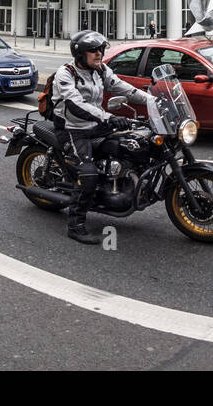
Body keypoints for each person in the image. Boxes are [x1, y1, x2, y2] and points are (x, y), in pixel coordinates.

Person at [52, 30, 151, 245]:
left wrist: (152, 101)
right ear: (80, 54)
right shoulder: (66, 73)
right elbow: (75, 104)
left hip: (96, 125)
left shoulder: (100, 69)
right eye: (94, 50)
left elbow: (120, 86)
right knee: (88, 173)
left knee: (136, 144)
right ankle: (75, 225)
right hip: (72, 129)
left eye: (101, 49)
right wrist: (108, 117)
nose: (99, 54)